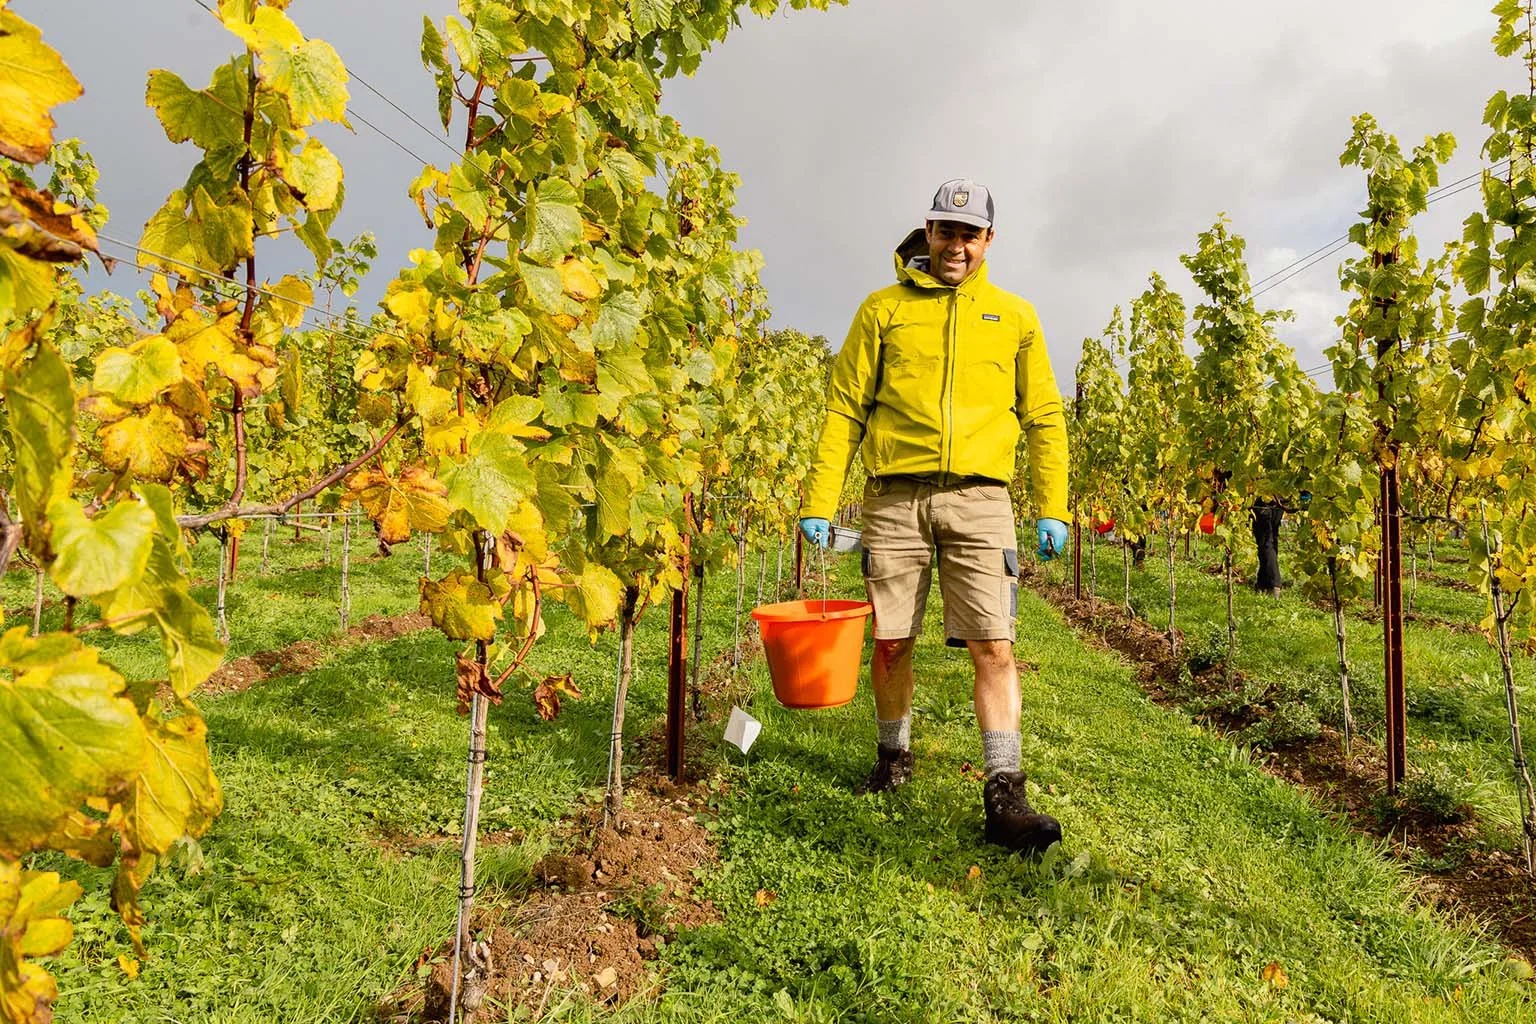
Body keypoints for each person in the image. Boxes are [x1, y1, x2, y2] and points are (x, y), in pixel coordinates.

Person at [798, 178, 1071, 854]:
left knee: (994, 645)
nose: (956, 245)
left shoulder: (1014, 316)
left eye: (969, 234)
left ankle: (1005, 790)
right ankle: (893, 759)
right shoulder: (881, 311)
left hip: (982, 501)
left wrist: (1055, 505)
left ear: (988, 241)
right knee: (891, 640)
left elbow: (1042, 415)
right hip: (894, 496)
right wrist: (818, 497)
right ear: (928, 232)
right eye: (946, 231)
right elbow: (844, 409)